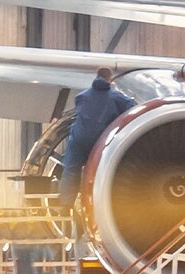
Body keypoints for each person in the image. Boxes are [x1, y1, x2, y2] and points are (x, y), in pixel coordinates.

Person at [58, 68, 135, 204]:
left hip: (79, 139)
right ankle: (99, 203)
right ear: (110, 79)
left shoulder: (81, 96)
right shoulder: (116, 97)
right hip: (100, 141)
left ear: (97, 76)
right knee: (103, 173)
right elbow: (133, 108)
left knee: (70, 170)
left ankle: (65, 204)